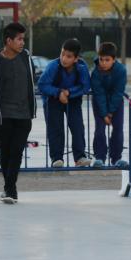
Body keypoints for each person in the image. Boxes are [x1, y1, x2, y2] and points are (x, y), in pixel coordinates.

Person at [0, 22, 36, 204]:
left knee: (17, 151)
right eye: (19, 39)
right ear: (8, 41)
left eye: (23, 39)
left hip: (24, 114)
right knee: (7, 152)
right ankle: (10, 189)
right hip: (3, 116)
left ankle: (10, 189)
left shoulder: (25, 57)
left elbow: (30, 79)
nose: (22, 43)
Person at [38, 38, 91, 167]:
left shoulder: (82, 68)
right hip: (52, 101)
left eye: (68, 56)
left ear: (76, 58)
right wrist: (58, 93)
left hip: (73, 101)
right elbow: (42, 84)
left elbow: (85, 86)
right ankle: (57, 158)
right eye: (62, 54)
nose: (64, 59)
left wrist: (69, 92)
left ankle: (80, 157)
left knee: (78, 128)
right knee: (56, 130)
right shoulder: (53, 66)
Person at [90, 42, 128, 168]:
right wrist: (104, 113)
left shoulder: (121, 70)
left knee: (118, 130)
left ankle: (116, 158)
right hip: (99, 104)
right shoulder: (95, 72)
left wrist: (111, 112)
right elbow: (99, 93)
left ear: (114, 60)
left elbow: (118, 92)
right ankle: (99, 157)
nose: (103, 63)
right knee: (99, 130)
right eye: (101, 59)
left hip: (116, 104)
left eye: (107, 60)